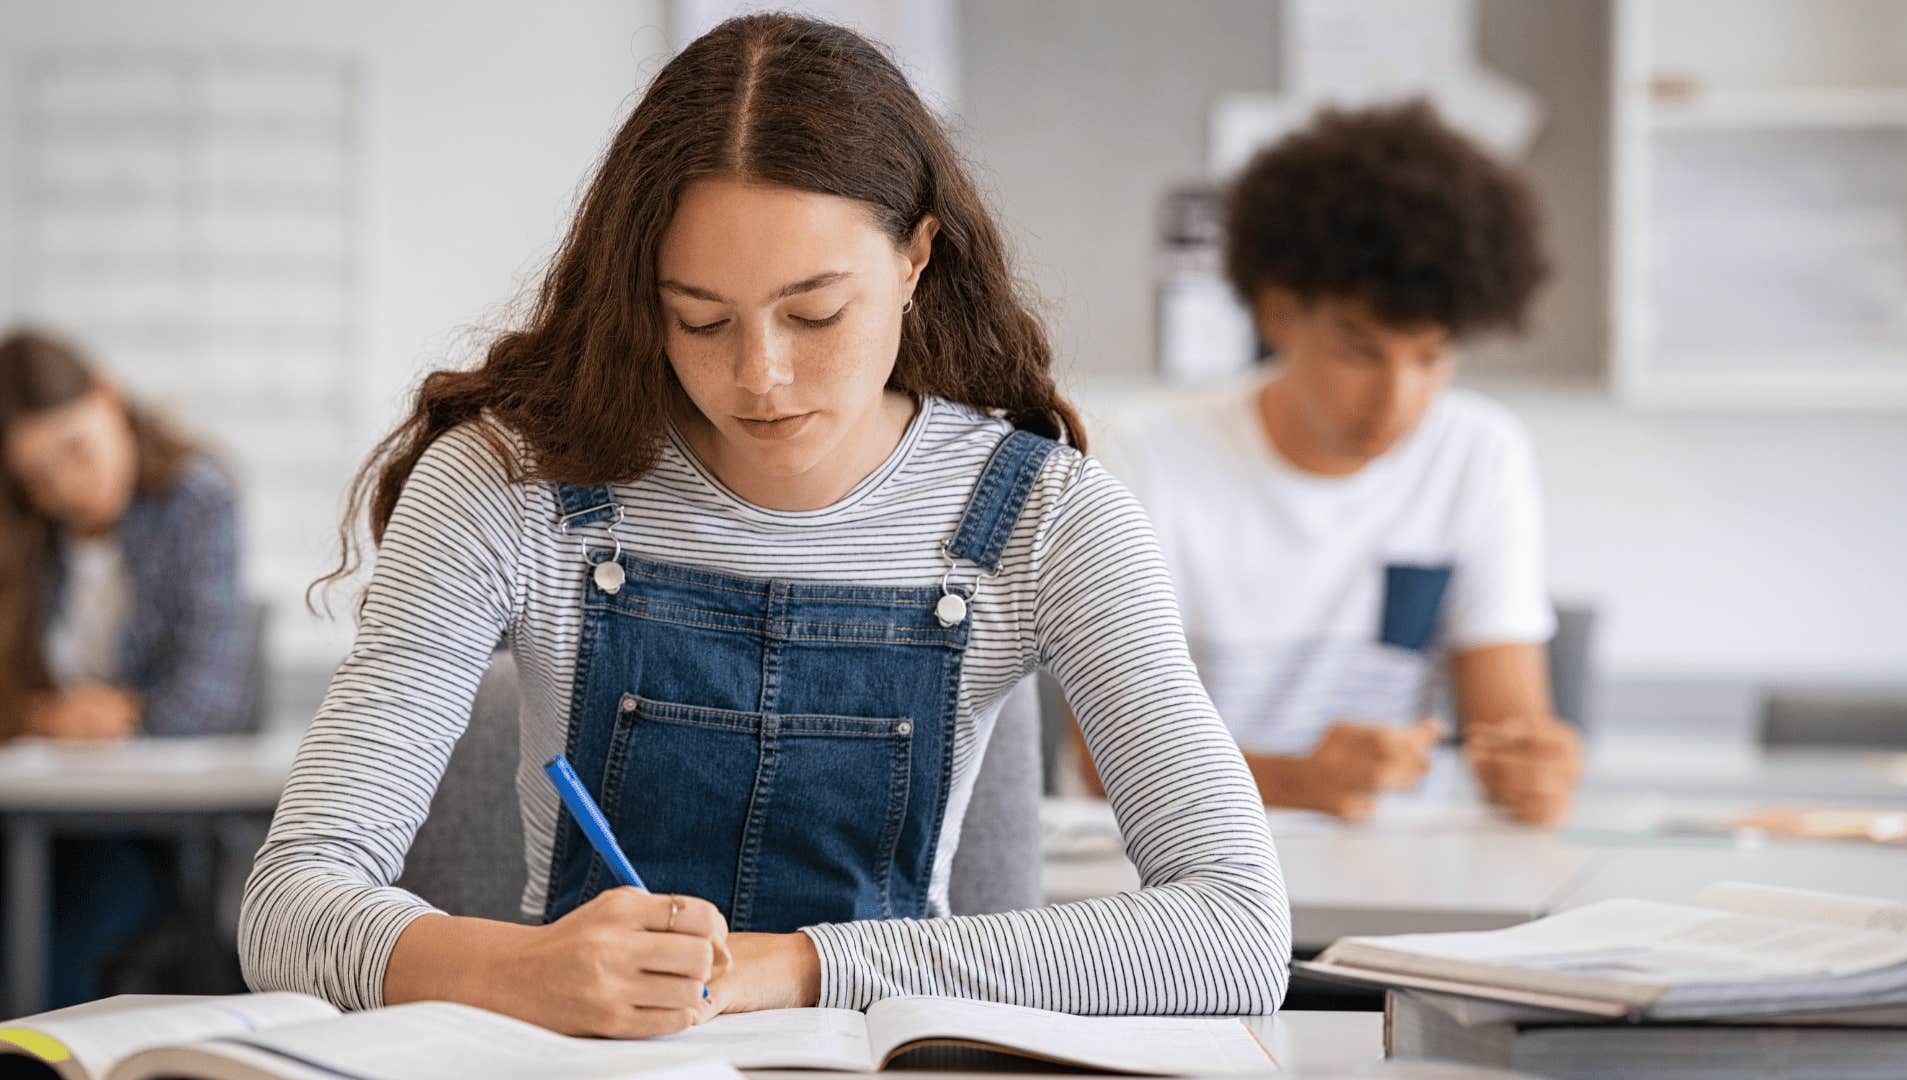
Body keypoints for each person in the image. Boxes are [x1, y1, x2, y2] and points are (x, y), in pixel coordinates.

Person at [239, 13, 1288, 1038]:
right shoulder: (506, 485)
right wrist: (513, 970)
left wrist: (795, 966)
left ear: (916, 259)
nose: (760, 376)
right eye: (699, 318)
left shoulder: (1048, 519)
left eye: (815, 314)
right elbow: (289, 907)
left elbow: (1236, 932)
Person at [1088, 102, 1581, 825]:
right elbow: (1104, 760)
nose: (1398, 398)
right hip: (1186, 877)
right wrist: (1299, 781)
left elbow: (1507, 729)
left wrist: (1533, 770)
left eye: (1431, 356)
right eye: (1360, 350)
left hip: (1400, 875)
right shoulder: (1143, 455)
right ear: (1279, 312)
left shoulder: (1478, 453)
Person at [0, 327, 255, 1005]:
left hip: (153, 830)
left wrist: (117, 718)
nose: (64, 488)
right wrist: (44, 716)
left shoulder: (197, 498)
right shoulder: (25, 532)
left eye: (75, 451)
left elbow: (211, 698)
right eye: (36, 476)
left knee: (59, 929)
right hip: (35, 818)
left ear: (108, 398)